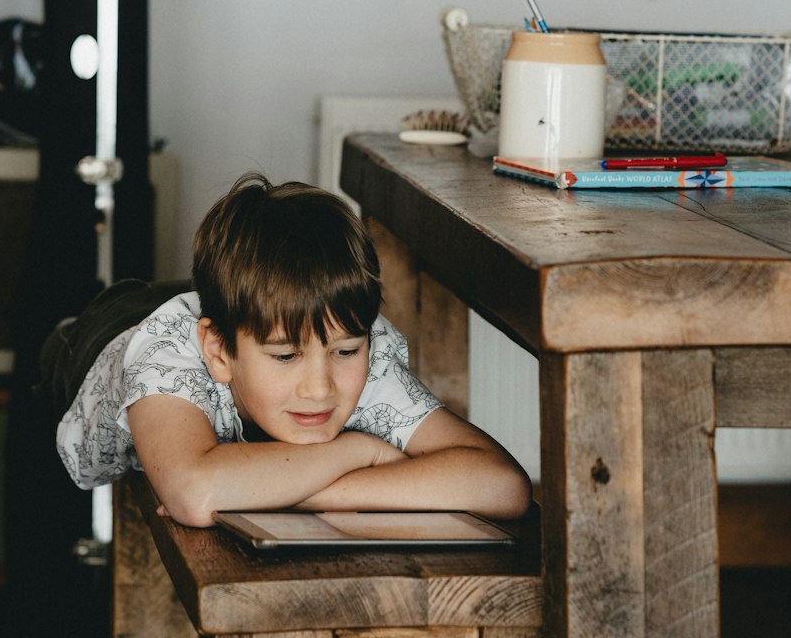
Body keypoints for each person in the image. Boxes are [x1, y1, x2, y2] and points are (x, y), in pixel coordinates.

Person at [49, 173, 531, 527]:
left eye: (345, 352)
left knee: (268, 315)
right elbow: (196, 495)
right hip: (99, 336)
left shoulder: (353, 341)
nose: (321, 388)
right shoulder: (167, 352)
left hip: (241, 318)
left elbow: (504, 486)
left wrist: (287, 491)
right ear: (218, 354)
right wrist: (361, 450)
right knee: (74, 336)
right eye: (286, 357)